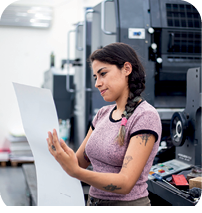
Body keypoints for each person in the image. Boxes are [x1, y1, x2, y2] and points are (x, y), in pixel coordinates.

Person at [47, 42, 162, 206]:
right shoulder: (102, 114)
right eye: (95, 77)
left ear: (126, 69)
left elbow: (125, 183)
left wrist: (77, 173)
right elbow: (79, 162)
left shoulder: (145, 116)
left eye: (103, 74)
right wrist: (57, 149)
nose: (97, 83)